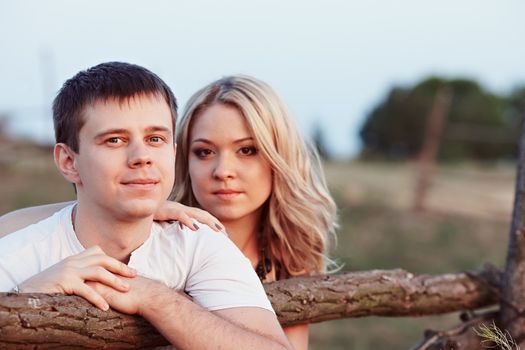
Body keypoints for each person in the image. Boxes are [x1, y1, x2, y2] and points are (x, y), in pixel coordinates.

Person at [0, 74, 338, 350]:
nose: (224, 170)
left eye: (247, 150)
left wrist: (156, 297)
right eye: (204, 151)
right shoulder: (25, 250)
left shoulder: (210, 247)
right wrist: (28, 299)